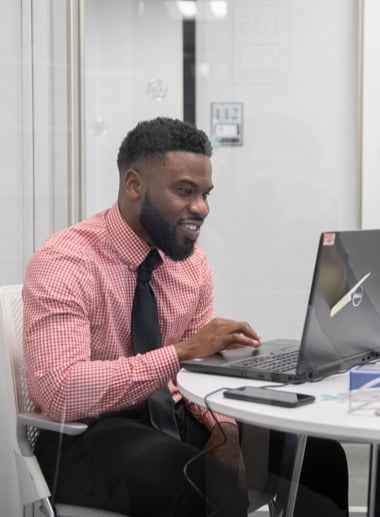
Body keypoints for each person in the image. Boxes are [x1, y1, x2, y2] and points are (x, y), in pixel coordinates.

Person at [23, 117, 348, 517]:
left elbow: (197, 370)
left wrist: (224, 425)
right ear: (134, 185)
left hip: (173, 417)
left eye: (206, 193)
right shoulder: (66, 262)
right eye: (185, 191)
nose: (201, 208)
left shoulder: (190, 264)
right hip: (86, 434)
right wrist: (179, 352)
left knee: (318, 456)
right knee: (210, 484)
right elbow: (60, 391)